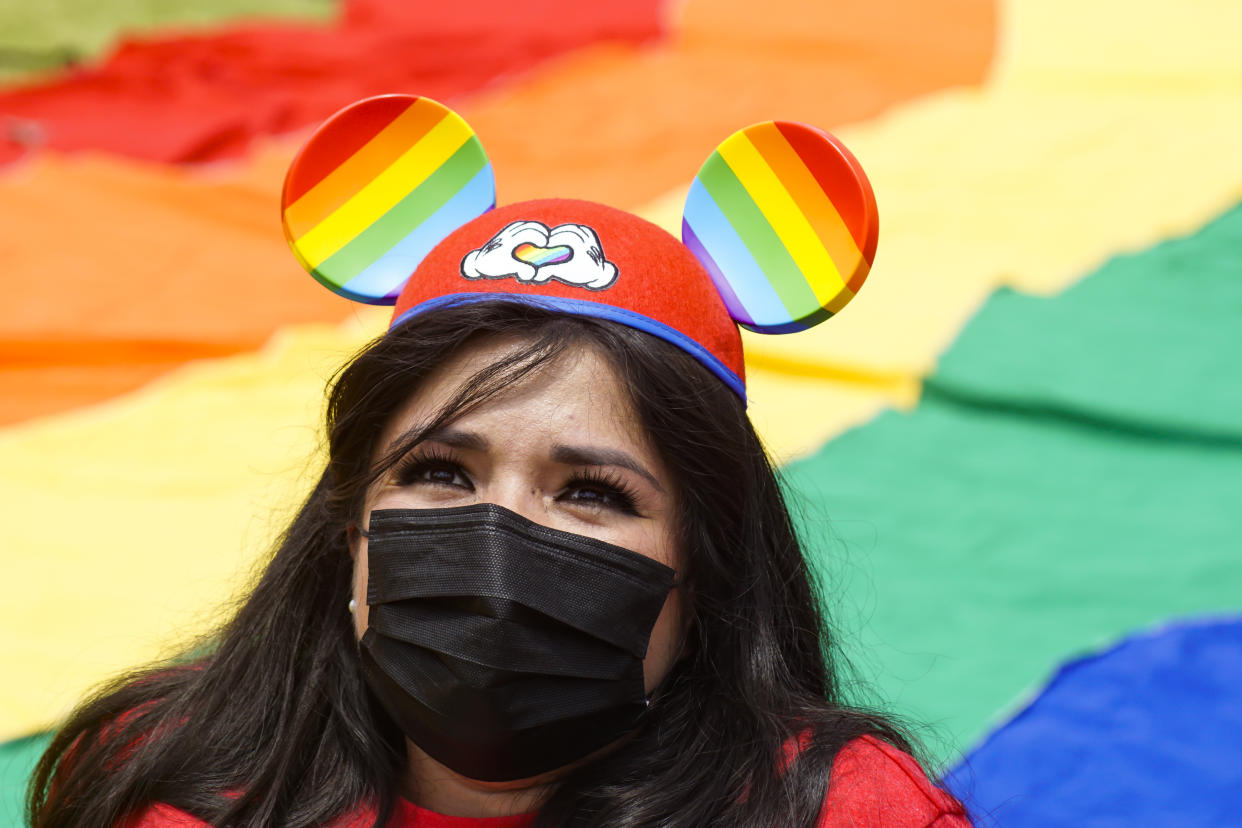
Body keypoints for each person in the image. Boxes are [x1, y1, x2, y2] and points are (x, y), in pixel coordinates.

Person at [27, 97, 973, 828]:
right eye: (440, 472)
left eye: (593, 493)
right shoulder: (160, 779)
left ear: (709, 566)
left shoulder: (842, 812)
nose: (500, 539)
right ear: (348, 524)